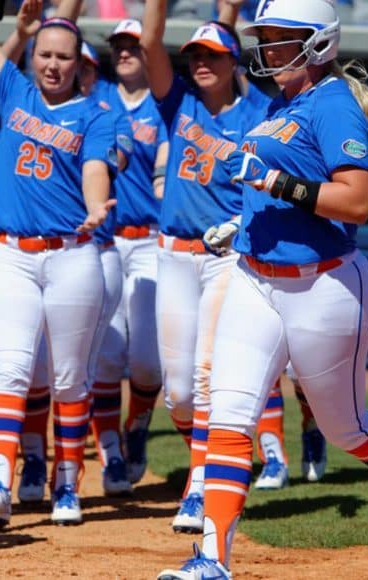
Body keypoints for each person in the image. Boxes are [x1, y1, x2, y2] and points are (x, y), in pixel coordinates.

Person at [159, 0, 368, 577]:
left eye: (279, 37)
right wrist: (244, 220)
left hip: (324, 285)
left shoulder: (333, 104)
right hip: (254, 278)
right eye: (264, 36)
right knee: (229, 416)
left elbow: (357, 201)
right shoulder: (276, 100)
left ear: (318, 43)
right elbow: (266, 182)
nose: (266, 47)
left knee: (348, 429)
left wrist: (279, 184)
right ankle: (212, 559)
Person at [0, 0, 117, 527]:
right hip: (11, 255)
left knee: (68, 380)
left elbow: (94, 170)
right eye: (44, 54)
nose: (52, 64)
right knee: (11, 369)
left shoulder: (95, 115)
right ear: (33, 56)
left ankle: (66, 483)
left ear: (79, 62)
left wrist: (95, 206)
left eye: (63, 57)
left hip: (71, 255)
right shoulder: (14, 89)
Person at [140, 0, 271, 535]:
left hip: (223, 259)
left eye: (213, 54)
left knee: (206, 378)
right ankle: (205, 459)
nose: (201, 62)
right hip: (172, 254)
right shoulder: (180, 102)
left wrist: (231, 19)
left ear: (234, 61)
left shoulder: (259, 112)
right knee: (177, 392)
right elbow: (151, 45)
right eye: (195, 53)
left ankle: (198, 485)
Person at [87, 18, 170, 490]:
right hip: (103, 239)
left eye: (133, 46)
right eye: (118, 46)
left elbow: (161, 167)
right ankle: (110, 455)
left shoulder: (163, 105)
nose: (124, 52)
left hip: (149, 239)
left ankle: (136, 425)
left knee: (144, 360)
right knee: (105, 354)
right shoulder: (98, 100)